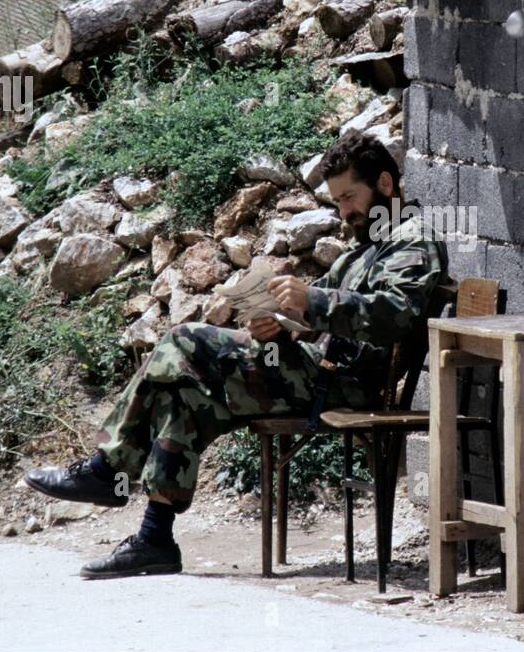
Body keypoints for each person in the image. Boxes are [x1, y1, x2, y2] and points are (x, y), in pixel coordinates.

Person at [23, 130, 449, 577]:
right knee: (185, 393)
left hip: (346, 386)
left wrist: (312, 302)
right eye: (337, 201)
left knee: (185, 340)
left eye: (349, 197)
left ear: (385, 183)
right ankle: (155, 540)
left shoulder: (412, 240)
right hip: (313, 371)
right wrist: (281, 322)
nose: (344, 211)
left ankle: (108, 470)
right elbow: (325, 318)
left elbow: (397, 316)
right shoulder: (366, 247)